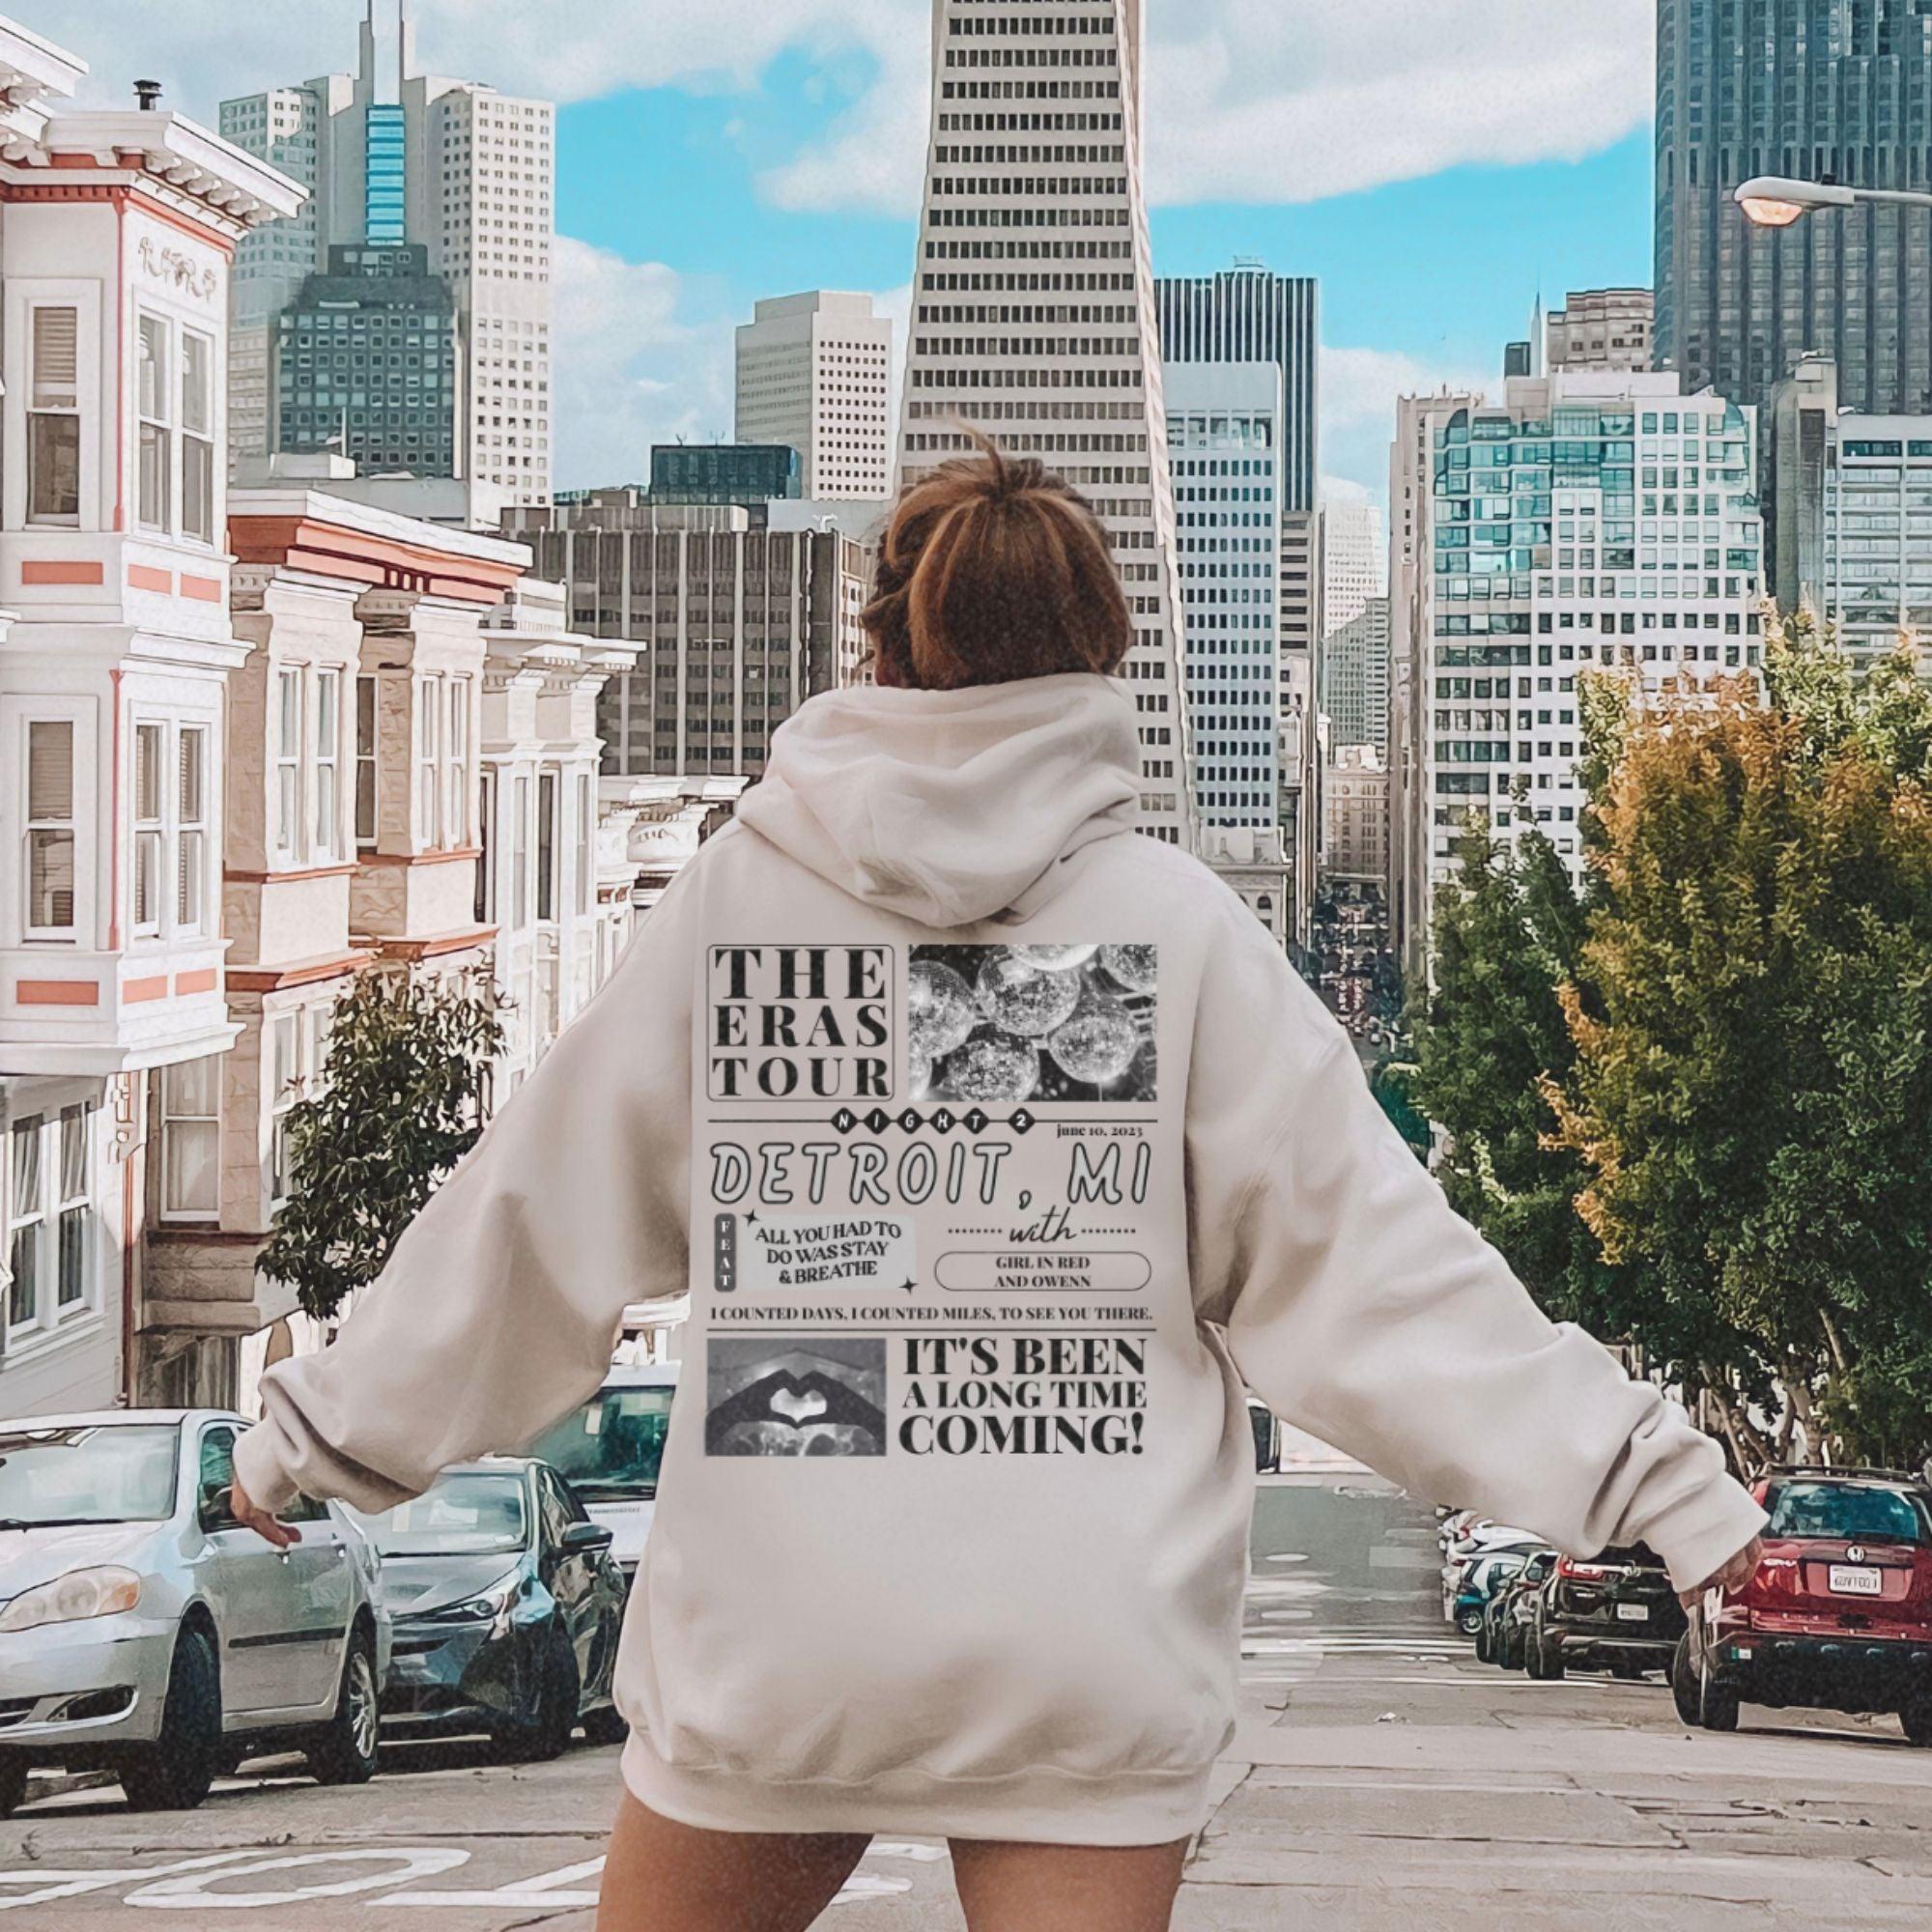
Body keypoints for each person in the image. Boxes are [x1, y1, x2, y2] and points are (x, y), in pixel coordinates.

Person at [233, 440, 1766, 1932]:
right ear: (1104, 659)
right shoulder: (1180, 931)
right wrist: (1664, 1487)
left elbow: (536, 1215)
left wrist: (320, 1431)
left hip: (785, 1633)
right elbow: (1379, 1280)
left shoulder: (737, 906)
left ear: (883, 649)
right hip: (1080, 1649)